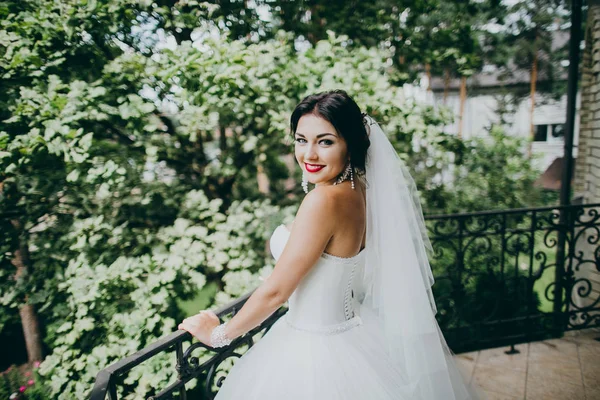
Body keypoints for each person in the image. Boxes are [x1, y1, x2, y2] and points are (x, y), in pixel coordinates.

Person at [178, 90, 481, 399]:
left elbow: (276, 292)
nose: (309, 154)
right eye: (301, 140)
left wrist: (217, 335)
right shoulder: (359, 190)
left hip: (313, 346)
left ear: (349, 144)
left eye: (325, 141)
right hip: (352, 333)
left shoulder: (322, 200)